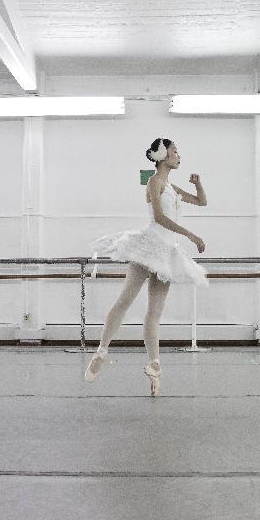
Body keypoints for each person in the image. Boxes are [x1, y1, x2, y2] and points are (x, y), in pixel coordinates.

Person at [84, 137, 209, 396]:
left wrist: (199, 184)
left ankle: (155, 366)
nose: (179, 156)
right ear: (163, 156)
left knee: (155, 313)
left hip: (166, 253)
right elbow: (160, 218)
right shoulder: (155, 182)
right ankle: (101, 352)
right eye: (175, 151)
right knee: (125, 301)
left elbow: (201, 202)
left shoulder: (173, 187)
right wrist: (191, 235)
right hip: (149, 245)